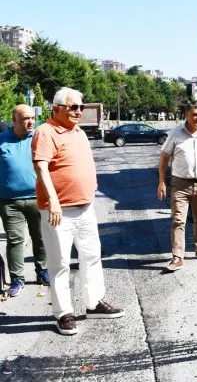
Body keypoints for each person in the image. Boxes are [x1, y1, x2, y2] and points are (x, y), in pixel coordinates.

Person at [32, 87, 125, 336]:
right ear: (57, 108)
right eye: (74, 107)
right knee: (60, 263)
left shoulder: (79, 132)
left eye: (81, 107)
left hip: (84, 208)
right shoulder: (45, 131)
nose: (79, 111)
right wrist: (52, 200)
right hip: (58, 211)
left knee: (92, 256)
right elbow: (41, 168)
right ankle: (63, 313)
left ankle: (93, 303)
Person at [157, 102, 197, 271]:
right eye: (195, 114)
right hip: (180, 184)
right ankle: (177, 257)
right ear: (186, 115)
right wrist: (162, 182)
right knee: (178, 220)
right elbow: (164, 159)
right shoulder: (175, 133)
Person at [0, 104, 49, 298]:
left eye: (32, 118)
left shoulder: (39, 138)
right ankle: (17, 279)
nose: (31, 122)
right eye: (25, 119)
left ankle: (43, 272)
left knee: (41, 237)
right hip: (9, 202)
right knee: (15, 240)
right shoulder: (1, 141)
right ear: (14, 121)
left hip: (38, 198)